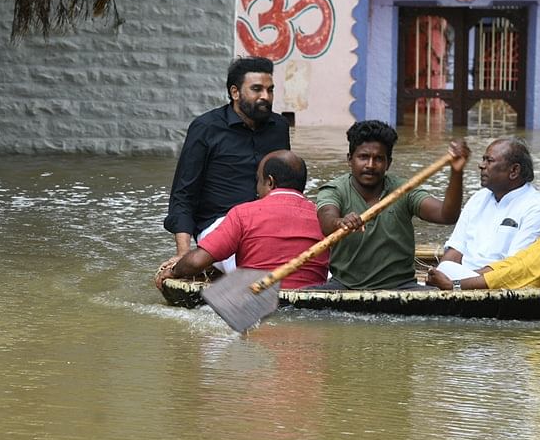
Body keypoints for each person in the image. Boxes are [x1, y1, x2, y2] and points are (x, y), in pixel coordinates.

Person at [161, 56, 290, 273]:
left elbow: (286, 186)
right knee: (254, 268)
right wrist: (184, 254)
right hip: (219, 225)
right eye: (257, 89)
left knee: (318, 269)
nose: (265, 97)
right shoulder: (205, 128)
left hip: (270, 224)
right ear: (235, 92)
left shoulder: (279, 127)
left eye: (270, 90)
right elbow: (183, 195)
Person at [313, 120, 470, 290]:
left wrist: (457, 172)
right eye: (363, 157)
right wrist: (340, 222)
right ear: (350, 159)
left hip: (401, 287)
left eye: (378, 159)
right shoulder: (335, 189)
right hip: (344, 286)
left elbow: (447, 216)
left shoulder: (404, 190)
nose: (370, 165)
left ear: (388, 163)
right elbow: (327, 221)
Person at [427, 150, 540, 290]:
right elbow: (521, 260)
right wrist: (473, 276)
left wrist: (456, 285)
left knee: (448, 271)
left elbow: (523, 270)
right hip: (508, 281)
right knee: (448, 268)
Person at [154, 151, 328, 290]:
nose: (257, 188)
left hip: (256, 301)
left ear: (270, 182)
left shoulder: (243, 214)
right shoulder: (324, 217)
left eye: (258, 181)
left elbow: (195, 262)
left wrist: (173, 271)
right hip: (312, 303)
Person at [435, 137, 540, 280]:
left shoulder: (537, 209)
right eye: (483, 159)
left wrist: (456, 283)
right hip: (458, 280)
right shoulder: (479, 198)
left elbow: (513, 268)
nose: (481, 165)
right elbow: (455, 249)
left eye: (489, 161)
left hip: (494, 284)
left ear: (514, 171)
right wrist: (440, 276)